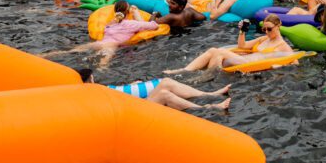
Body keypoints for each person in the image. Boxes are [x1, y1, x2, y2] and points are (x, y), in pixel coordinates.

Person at [46, 0, 161, 66]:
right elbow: (153, 26)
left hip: (99, 43)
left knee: (71, 51)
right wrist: (136, 13)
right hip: (110, 47)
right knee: (101, 67)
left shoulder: (111, 23)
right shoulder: (131, 24)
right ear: (128, 11)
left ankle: (44, 56)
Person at [165, 14, 294, 73]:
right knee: (213, 50)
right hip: (244, 59)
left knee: (219, 52)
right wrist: (242, 31)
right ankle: (185, 70)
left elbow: (294, 61)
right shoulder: (263, 39)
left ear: (278, 26)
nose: (266, 32)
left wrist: (277, 66)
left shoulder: (283, 46)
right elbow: (242, 46)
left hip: (250, 64)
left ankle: (202, 78)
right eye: (264, 29)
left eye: (269, 29)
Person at [78, 68, 231, 111]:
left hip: (137, 103)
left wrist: (131, 85)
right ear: (90, 79)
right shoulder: (97, 95)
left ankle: (210, 94)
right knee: (165, 94)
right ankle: (208, 107)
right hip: (136, 111)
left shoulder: (97, 90)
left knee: (166, 82)